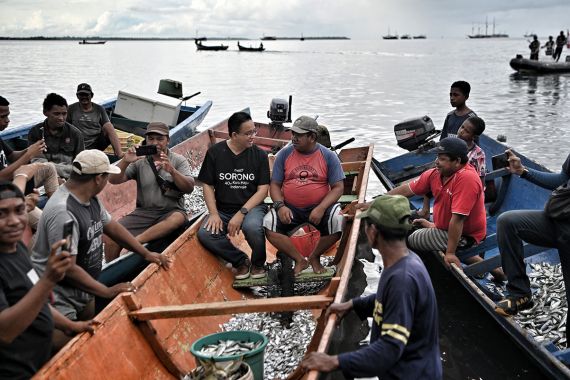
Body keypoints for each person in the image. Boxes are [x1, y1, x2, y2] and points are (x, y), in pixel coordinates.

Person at [301, 195, 442, 379]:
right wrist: (353, 305)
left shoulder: (402, 279)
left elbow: (389, 349)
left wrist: (334, 361)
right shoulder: (404, 261)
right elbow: (389, 301)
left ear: (373, 231)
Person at [30, 150, 171, 322]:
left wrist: (145, 253)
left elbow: (112, 227)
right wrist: (107, 291)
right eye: (106, 177)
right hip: (59, 296)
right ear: (98, 178)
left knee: (91, 326)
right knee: (68, 344)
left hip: (86, 287)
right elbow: (67, 267)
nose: (106, 182)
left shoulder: (91, 198)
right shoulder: (64, 212)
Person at [0, 181, 95, 379]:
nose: (14, 221)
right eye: (2, 214)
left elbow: (37, 301)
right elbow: (5, 332)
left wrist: (71, 326)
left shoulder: (17, 249)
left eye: (19, 210)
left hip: (39, 362)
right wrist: (47, 281)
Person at [263, 116, 345, 275]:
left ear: (312, 137)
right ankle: (300, 259)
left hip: (320, 207)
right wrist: (280, 206)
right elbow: (274, 185)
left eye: (298, 135)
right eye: (292, 134)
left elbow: (338, 188)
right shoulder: (284, 155)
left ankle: (314, 256)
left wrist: (321, 208)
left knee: (339, 221)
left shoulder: (328, 156)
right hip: (291, 208)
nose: (293, 138)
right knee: (268, 224)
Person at [495, 150, 570, 320]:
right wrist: (523, 171)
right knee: (508, 222)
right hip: (556, 220)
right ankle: (519, 293)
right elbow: (561, 180)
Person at [197, 112, 270, 279]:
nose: (253, 136)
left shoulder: (259, 155)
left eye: (254, 131)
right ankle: (241, 261)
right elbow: (207, 185)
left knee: (252, 227)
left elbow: (262, 190)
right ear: (234, 135)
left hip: (252, 208)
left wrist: (241, 213)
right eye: (248, 133)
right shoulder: (215, 152)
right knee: (206, 234)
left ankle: (259, 264)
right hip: (223, 209)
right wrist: (214, 214)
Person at [107, 122, 194, 261]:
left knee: (178, 219)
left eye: (160, 139)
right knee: (112, 235)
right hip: (144, 212)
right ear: (146, 140)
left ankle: (136, 242)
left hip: (171, 211)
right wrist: (125, 161)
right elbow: (113, 179)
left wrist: (172, 171)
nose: (155, 143)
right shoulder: (139, 161)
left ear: (168, 140)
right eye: (151, 139)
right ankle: (111, 270)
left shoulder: (178, 160)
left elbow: (189, 188)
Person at [1, 96, 60, 233]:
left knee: (48, 168)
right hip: (6, 195)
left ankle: (57, 210)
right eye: (3, 117)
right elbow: (1, 177)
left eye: (8, 116)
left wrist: (31, 149)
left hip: (14, 181)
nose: (8, 120)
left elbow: (12, 156)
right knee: (49, 227)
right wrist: (29, 155)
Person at [419, 116, 487, 220]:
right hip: (446, 179)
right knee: (430, 174)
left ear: (473, 136)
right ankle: (426, 209)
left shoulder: (478, 154)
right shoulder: (451, 144)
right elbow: (440, 163)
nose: (461, 131)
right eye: (462, 127)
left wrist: (479, 201)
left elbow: (480, 179)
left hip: (462, 185)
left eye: (466, 131)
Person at [28, 93, 85, 181]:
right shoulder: (35, 132)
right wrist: (57, 172)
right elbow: (37, 162)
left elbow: (80, 166)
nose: (61, 118)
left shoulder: (76, 134)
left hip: (68, 179)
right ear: (45, 112)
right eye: (56, 114)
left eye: (64, 114)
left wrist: (50, 168)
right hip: (42, 179)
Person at [67, 83, 123, 158]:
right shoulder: (71, 109)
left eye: (86, 95)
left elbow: (108, 127)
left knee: (109, 127)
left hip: (96, 144)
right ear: (77, 96)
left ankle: (119, 154)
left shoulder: (99, 109)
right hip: (77, 144)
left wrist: (118, 152)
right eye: (81, 95)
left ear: (92, 95)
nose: (84, 97)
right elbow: (65, 127)